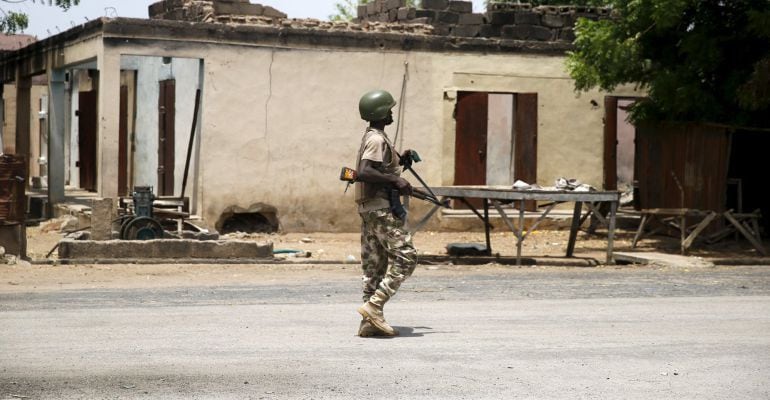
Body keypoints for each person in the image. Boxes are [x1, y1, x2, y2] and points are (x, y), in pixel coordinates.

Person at [354, 89, 418, 337]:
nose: (392, 112)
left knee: (374, 266)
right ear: (380, 112)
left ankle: (370, 323)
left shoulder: (375, 137)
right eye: (389, 109)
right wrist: (396, 180)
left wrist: (400, 161)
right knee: (407, 256)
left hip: (369, 208)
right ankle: (374, 305)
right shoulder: (377, 139)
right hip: (380, 208)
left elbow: (375, 167)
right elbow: (365, 171)